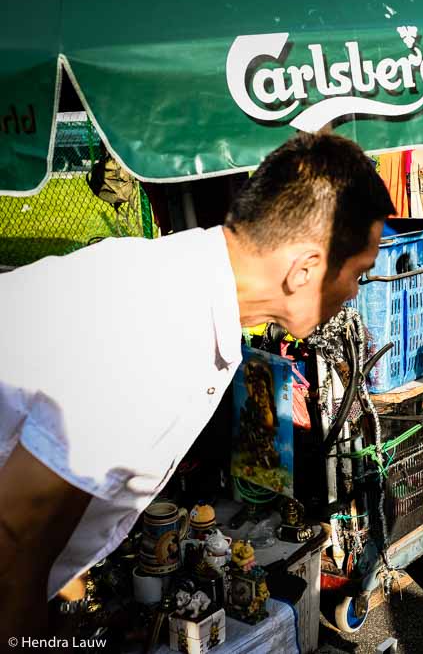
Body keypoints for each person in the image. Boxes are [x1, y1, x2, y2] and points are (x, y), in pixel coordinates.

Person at [0, 132, 393, 636]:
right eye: (359, 273)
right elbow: (12, 545)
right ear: (305, 270)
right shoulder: (157, 327)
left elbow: (42, 538)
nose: (356, 292)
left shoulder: (187, 288)